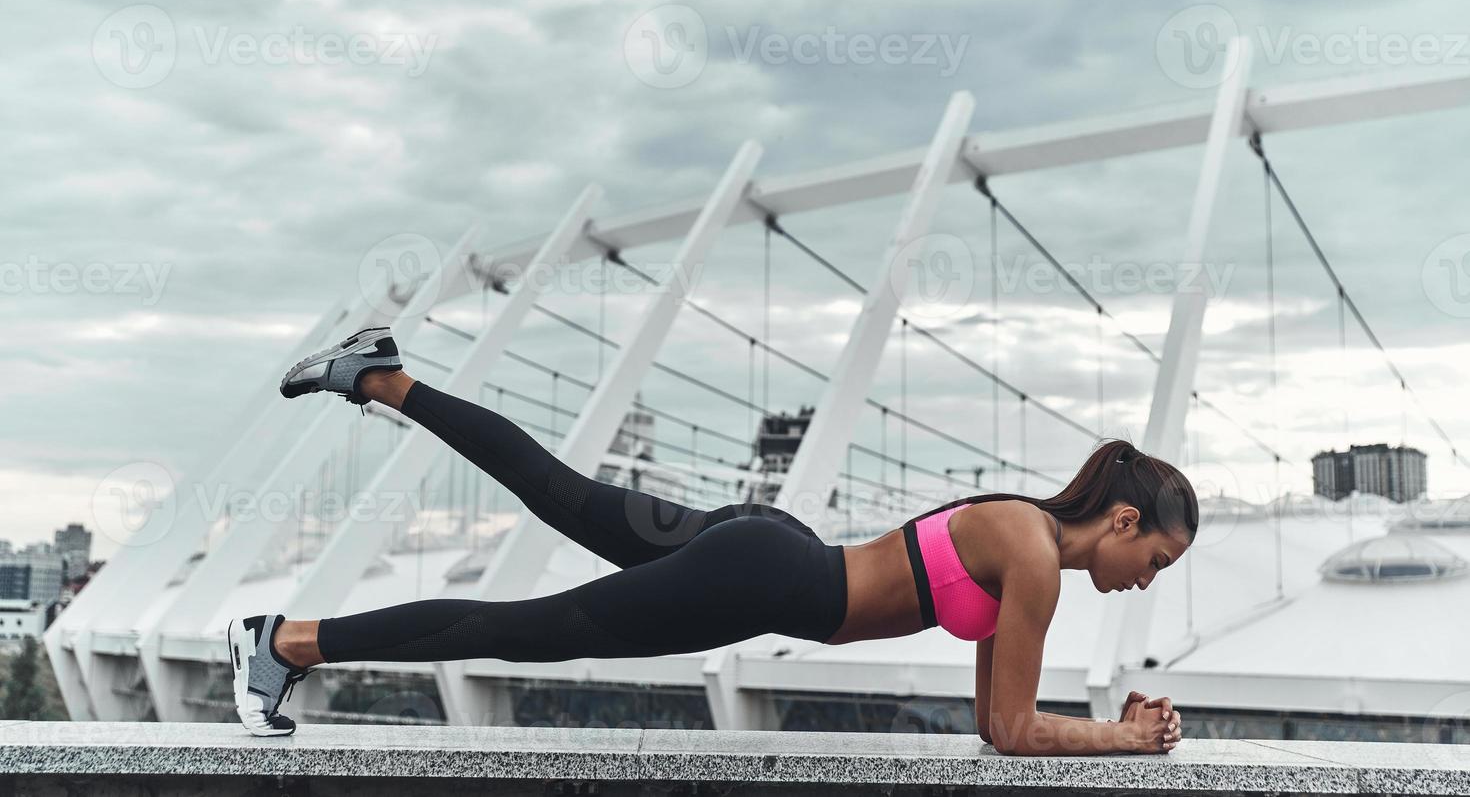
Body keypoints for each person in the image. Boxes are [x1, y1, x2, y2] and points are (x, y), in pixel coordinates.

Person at [229, 327, 1194, 756]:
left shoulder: (1021, 533)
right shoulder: (1031, 558)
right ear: (1122, 521)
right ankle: (283, 645)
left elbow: (995, 727)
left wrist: (1116, 733)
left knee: (558, 494)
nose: (1143, 581)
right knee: (524, 626)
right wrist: (1127, 738)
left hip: (769, 549)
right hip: (769, 577)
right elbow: (1020, 734)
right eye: (1152, 560)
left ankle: (383, 379)